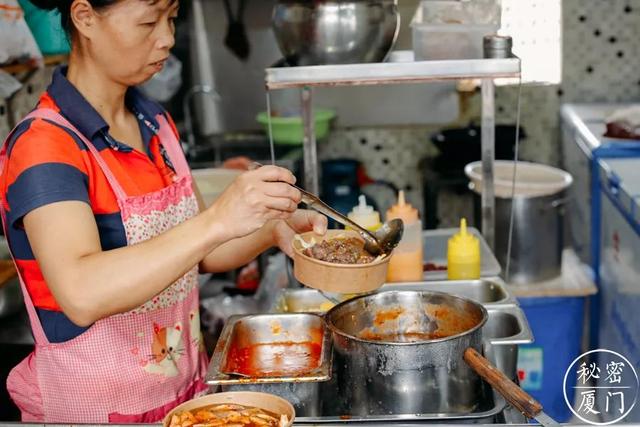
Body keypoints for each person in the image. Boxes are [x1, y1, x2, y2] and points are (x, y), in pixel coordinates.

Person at [0, 0, 326, 422]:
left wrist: (274, 231)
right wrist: (217, 219)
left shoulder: (154, 123)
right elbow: (80, 292)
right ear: (85, 18)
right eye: (149, 22)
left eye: (171, 20)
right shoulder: (45, 144)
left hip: (184, 398)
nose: (167, 38)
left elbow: (200, 254)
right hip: (96, 412)